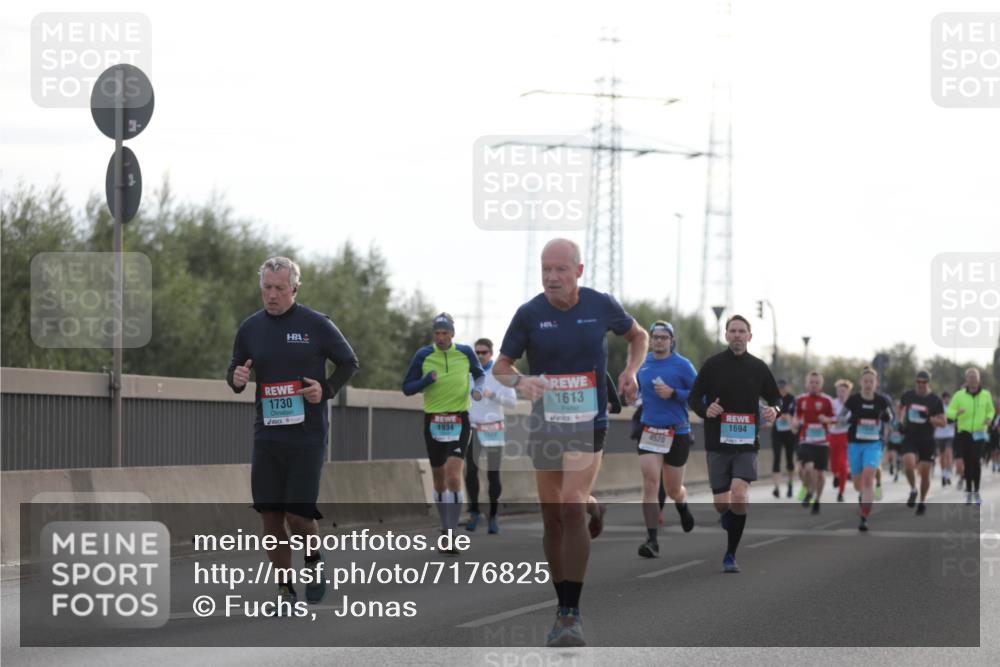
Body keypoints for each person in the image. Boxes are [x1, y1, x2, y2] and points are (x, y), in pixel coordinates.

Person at [492, 238, 647, 647]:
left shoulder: (600, 305)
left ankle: (568, 612)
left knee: (570, 504)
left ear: (579, 271)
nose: (551, 276)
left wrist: (631, 372)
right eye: (546, 269)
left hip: (588, 420)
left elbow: (639, 336)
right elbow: (500, 366)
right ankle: (592, 512)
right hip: (546, 422)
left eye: (560, 269)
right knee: (553, 518)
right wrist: (520, 380)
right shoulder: (529, 314)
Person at [227, 256, 359, 607]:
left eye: (280, 289)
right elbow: (236, 366)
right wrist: (236, 378)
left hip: (307, 436)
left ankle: (314, 559)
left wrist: (325, 390)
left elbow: (349, 362)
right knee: (270, 517)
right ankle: (285, 588)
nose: (272, 295)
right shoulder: (250, 328)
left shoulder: (316, 324)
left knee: (298, 515)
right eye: (267, 288)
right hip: (267, 436)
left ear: (295, 289)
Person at [688, 315, 781, 574]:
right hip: (717, 441)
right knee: (721, 504)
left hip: (746, 443)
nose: (737, 335)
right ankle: (729, 517)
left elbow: (775, 398)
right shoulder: (712, 365)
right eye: (733, 331)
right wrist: (707, 408)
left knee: (739, 494)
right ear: (726, 335)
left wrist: (774, 409)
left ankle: (730, 554)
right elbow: (694, 398)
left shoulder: (759, 367)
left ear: (749, 336)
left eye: (742, 331)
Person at [402, 313, 485, 551]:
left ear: (452, 334)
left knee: (453, 475)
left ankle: (450, 533)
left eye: (444, 333)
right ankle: (444, 524)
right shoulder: (423, 355)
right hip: (434, 420)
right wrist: (425, 381)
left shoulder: (466, 352)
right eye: (437, 333)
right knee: (439, 480)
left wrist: (476, 391)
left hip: (460, 418)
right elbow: (407, 388)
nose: (440, 337)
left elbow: (479, 375)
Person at [635, 320, 697, 558]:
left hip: (677, 432)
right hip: (650, 430)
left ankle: (681, 504)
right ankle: (652, 540)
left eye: (664, 337)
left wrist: (675, 393)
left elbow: (700, 392)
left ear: (672, 341)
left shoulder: (683, 365)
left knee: (672, 489)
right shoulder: (643, 364)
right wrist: (631, 392)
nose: (659, 341)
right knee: (651, 483)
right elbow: (637, 390)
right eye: (655, 337)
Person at [465, 338, 517, 534]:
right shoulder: (468, 372)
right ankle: (474, 512)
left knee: (493, 473)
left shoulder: (499, 374)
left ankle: (493, 515)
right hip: (471, 427)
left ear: (491, 353)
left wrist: (492, 395)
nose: (479, 355)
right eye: (477, 352)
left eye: (483, 352)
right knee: (470, 471)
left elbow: (512, 402)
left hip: (493, 427)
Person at [839, 367, 894, 531]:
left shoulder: (882, 401)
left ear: (876, 383)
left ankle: (864, 517)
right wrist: (851, 418)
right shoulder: (853, 400)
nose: (868, 384)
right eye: (866, 381)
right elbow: (841, 418)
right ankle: (862, 496)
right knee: (858, 484)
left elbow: (891, 418)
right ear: (860, 382)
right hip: (855, 444)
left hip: (873, 443)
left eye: (871, 381)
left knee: (868, 477)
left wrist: (886, 417)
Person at [898, 370, 947, 515]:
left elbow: (943, 422)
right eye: (918, 382)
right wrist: (899, 421)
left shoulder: (935, 400)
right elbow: (899, 406)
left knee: (925, 473)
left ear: (928, 383)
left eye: (924, 382)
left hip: (927, 439)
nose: (921, 385)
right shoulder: (909, 395)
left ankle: (923, 500)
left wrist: (930, 418)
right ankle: (913, 489)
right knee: (908, 464)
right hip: (910, 436)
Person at [946, 368, 996, 505]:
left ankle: (977, 491)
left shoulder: (986, 395)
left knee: (975, 460)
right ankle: (969, 492)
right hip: (964, 433)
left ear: (979, 379)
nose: (972, 379)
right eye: (970, 377)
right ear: (966, 380)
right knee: (967, 463)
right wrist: (956, 413)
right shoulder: (959, 395)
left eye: (975, 377)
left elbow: (991, 410)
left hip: (979, 432)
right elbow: (949, 412)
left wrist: (989, 418)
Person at [792, 372, 835, 514]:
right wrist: (795, 422)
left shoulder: (828, 400)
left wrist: (827, 420)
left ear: (821, 385)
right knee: (805, 468)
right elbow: (796, 417)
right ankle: (809, 490)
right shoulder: (801, 400)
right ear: (806, 384)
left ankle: (817, 498)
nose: (814, 385)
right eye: (811, 382)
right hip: (806, 440)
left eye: (817, 382)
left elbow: (835, 419)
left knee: (820, 474)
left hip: (822, 443)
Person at [771, 379, 798, 499]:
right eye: (779, 388)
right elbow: (769, 413)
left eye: (783, 388)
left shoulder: (792, 399)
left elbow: (796, 415)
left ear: (787, 387)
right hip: (777, 432)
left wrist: (788, 417)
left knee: (789, 460)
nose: (781, 390)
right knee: (776, 458)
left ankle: (790, 485)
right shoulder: (773, 398)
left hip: (789, 433)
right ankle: (776, 487)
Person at [828, 379, 853, 502]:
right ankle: (835, 475)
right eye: (839, 391)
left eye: (843, 391)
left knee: (843, 463)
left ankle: (841, 492)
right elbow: (829, 418)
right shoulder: (833, 403)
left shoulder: (852, 404)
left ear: (848, 392)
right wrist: (832, 421)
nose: (841, 394)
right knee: (833, 464)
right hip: (833, 435)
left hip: (845, 436)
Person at [935, 391, 956, 487]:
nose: (947, 400)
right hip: (939, 435)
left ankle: (948, 474)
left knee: (949, 454)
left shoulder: (952, 408)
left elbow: (956, 420)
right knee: (942, 457)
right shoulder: (938, 407)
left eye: (948, 398)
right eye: (945, 398)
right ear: (943, 399)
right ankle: (943, 474)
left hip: (949, 434)